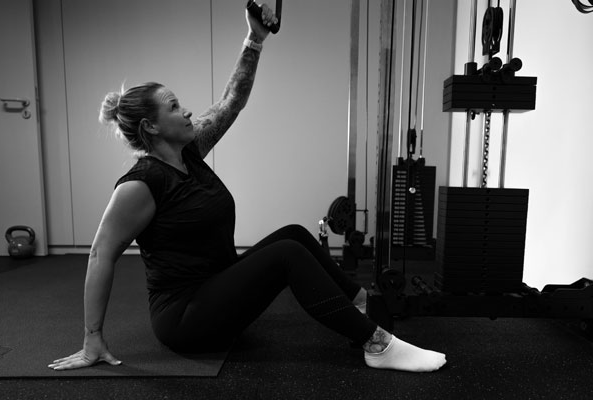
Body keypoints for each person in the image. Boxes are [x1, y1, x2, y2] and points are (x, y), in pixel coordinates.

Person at [48, 4, 446, 373]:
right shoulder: (141, 183)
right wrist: (92, 337)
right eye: (173, 107)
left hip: (216, 289)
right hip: (186, 318)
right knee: (287, 254)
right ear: (150, 126)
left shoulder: (190, 152)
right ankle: (377, 345)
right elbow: (100, 254)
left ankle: (360, 303)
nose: (186, 110)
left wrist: (254, 39)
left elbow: (230, 102)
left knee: (294, 234)